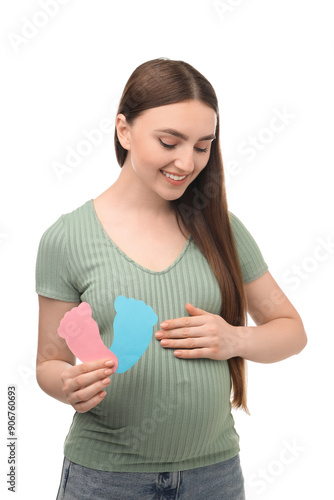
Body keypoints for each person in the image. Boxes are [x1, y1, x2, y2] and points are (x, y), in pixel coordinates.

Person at [35, 58, 307, 500]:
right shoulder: (67, 238)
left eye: (203, 146)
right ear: (124, 130)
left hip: (213, 478)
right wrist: (66, 385)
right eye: (169, 141)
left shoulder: (222, 228)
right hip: (105, 480)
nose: (187, 162)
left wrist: (235, 340)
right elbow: (48, 361)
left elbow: (292, 331)